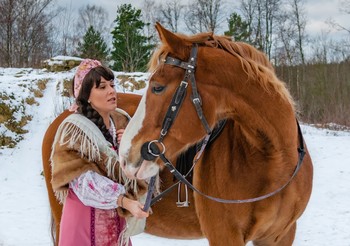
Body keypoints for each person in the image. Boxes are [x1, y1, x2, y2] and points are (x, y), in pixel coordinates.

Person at [50, 59, 149, 246]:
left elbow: (129, 173)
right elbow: (84, 183)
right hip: (84, 225)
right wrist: (124, 201)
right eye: (102, 87)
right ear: (86, 95)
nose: (112, 91)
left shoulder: (120, 125)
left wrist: (126, 149)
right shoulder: (73, 131)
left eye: (112, 85)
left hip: (115, 225)